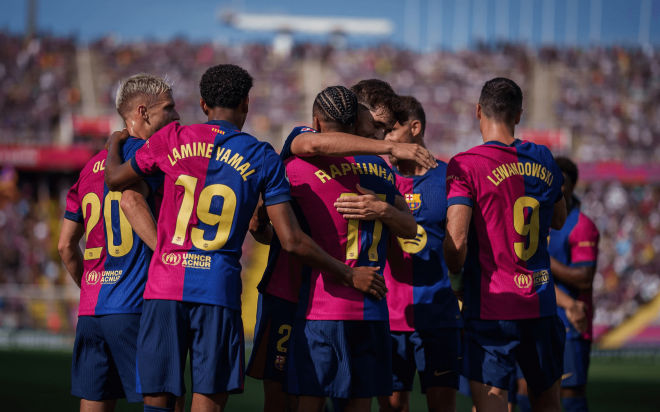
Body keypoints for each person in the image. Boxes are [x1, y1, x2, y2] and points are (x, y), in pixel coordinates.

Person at [103, 65, 385, 412]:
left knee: (158, 403)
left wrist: (114, 142)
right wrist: (346, 273)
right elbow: (292, 241)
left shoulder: (172, 138)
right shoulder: (262, 156)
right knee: (208, 401)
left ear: (204, 104)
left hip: (164, 289)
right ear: (246, 104)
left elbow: (116, 180)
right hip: (217, 292)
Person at [246, 82, 436, 412]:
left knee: (298, 395)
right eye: (377, 126)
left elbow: (260, 228)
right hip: (293, 290)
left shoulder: (308, 168)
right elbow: (265, 230)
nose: (382, 136)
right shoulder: (310, 147)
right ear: (354, 116)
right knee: (291, 394)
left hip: (322, 298)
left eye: (387, 130)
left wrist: (383, 210)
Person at [443, 77, 568, 412]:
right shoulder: (543, 157)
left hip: (492, 306)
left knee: (491, 406)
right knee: (548, 404)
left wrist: (456, 281)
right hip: (540, 303)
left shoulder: (466, 164)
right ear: (518, 115)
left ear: (478, 110)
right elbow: (558, 219)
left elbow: (456, 241)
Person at [58, 74, 180, 412]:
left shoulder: (87, 170)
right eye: (169, 108)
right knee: (166, 400)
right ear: (142, 112)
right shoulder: (148, 156)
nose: (177, 116)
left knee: (95, 404)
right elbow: (131, 200)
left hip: (91, 312)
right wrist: (169, 256)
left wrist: (90, 287)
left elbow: (66, 247)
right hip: (135, 305)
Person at [350, 96, 462, 412]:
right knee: (393, 406)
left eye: (391, 132)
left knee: (442, 405)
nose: (385, 141)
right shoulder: (379, 177)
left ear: (415, 128)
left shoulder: (450, 178)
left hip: (438, 313)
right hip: (388, 315)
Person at [516, 157, 599, 412]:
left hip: (571, 321)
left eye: (562, 185)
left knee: (570, 393)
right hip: (535, 314)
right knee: (525, 388)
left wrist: (544, 259)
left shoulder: (581, 225)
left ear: (570, 187)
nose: (557, 190)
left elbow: (584, 277)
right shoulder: (537, 220)